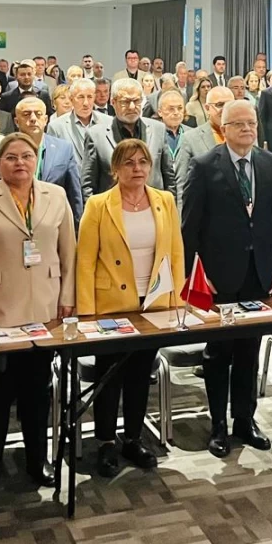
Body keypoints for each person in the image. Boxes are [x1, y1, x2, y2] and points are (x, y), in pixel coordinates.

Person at [0, 132, 76, 490]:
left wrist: (67, 297)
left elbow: (69, 251)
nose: (19, 162)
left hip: (44, 310)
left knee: (38, 392)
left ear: (36, 161)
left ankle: (37, 460)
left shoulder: (56, 196)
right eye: (11, 157)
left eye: (26, 156)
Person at [181, 100, 272, 457]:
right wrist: (196, 275)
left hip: (259, 274)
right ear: (223, 129)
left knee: (249, 351)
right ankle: (218, 425)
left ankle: (245, 419)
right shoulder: (204, 165)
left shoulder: (270, 164)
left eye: (251, 123)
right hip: (219, 277)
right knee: (218, 354)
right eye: (238, 124)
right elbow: (190, 228)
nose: (246, 129)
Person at [75, 139, 183, 478]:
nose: (137, 169)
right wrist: (87, 312)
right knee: (109, 376)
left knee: (140, 374)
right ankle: (106, 442)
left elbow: (175, 253)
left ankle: (133, 438)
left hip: (152, 304)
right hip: (110, 307)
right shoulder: (98, 204)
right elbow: (85, 261)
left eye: (143, 162)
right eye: (129, 163)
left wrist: (177, 302)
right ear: (115, 169)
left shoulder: (165, 201)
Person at [0, 95, 86, 221]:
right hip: (10, 222)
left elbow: (74, 195)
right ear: (16, 121)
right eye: (26, 114)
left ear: (46, 119)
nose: (33, 118)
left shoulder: (64, 149)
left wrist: (76, 227)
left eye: (38, 114)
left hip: (52, 223)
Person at [84, 80, 170, 195]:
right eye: (125, 102)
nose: (132, 107)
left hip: (153, 204)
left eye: (136, 101)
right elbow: (88, 185)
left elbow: (169, 178)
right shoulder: (96, 135)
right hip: (113, 204)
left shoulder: (158, 129)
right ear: (113, 102)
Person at [174, 86, 232, 203]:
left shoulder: (244, 136)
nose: (225, 110)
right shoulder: (190, 138)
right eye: (220, 105)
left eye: (230, 105)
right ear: (207, 108)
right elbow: (181, 186)